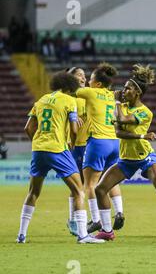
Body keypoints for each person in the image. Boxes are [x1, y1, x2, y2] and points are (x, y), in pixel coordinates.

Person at [94, 64, 156, 242]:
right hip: (126, 160)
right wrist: (142, 134)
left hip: (145, 158)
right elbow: (118, 133)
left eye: (128, 88)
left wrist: (117, 103)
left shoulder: (145, 112)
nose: (124, 90)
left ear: (137, 92)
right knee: (100, 189)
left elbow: (123, 120)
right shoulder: (122, 107)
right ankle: (107, 230)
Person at [17, 71, 104, 244]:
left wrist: (38, 143)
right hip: (58, 148)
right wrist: (71, 143)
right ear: (67, 87)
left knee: (33, 192)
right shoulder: (69, 101)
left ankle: (22, 235)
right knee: (79, 190)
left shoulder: (41, 100)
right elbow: (73, 129)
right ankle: (82, 235)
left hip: (38, 149)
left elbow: (28, 128)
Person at [76, 63, 124, 233]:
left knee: (90, 184)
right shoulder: (111, 95)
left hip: (98, 142)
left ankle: (96, 219)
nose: (87, 82)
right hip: (114, 142)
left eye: (89, 80)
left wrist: (74, 79)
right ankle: (119, 211)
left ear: (97, 84)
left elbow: (70, 90)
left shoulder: (91, 92)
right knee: (108, 181)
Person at [65, 67, 88, 236]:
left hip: (89, 145)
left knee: (92, 184)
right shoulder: (66, 99)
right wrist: (71, 116)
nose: (83, 77)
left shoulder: (89, 96)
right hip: (73, 146)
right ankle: (73, 219)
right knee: (76, 185)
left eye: (84, 75)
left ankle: (95, 219)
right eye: (79, 75)